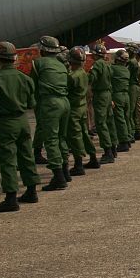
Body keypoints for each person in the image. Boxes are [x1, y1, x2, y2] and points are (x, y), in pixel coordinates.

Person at [0, 41, 41, 212]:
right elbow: (32, 102)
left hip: (5, 122)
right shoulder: (25, 78)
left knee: (8, 159)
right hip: (23, 121)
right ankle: (31, 191)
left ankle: (10, 198)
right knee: (26, 155)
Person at [31, 36, 71, 190]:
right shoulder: (61, 64)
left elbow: (32, 85)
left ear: (42, 50)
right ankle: (66, 170)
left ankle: (59, 177)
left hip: (50, 103)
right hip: (65, 102)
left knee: (51, 139)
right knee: (61, 136)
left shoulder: (38, 63)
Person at [66, 46, 98, 174]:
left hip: (73, 109)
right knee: (84, 133)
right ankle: (93, 157)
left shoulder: (71, 76)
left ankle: (78, 164)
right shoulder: (84, 73)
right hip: (82, 107)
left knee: (74, 136)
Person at [88, 44, 116, 164]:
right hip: (108, 94)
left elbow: (91, 79)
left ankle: (108, 152)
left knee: (101, 123)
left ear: (94, 54)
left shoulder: (97, 65)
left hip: (100, 95)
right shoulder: (107, 64)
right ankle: (113, 148)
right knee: (110, 121)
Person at [110, 49, 133, 153]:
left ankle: (123, 142)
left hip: (117, 95)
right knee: (126, 118)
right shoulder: (126, 70)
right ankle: (128, 138)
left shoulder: (113, 69)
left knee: (119, 120)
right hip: (126, 96)